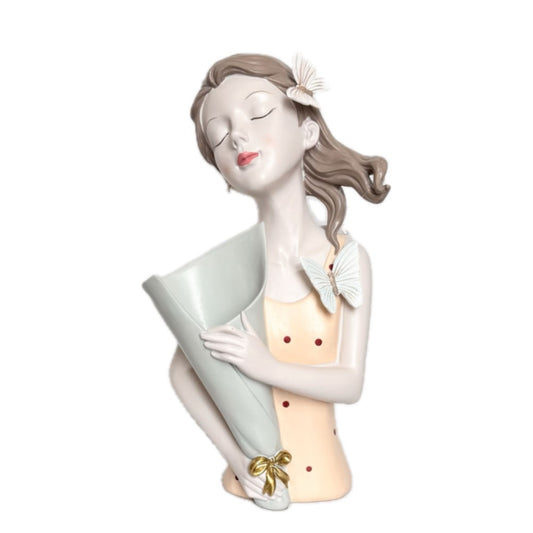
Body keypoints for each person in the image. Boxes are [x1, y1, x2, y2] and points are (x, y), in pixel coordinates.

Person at [169, 53, 389, 506]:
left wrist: (265, 367)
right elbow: (182, 371)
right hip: (250, 487)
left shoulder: (346, 259)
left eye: (258, 113)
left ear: (308, 131)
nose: (238, 136)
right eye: (219, 134)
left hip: (327, 479)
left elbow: (350, 384)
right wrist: (237, 460)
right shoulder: (231, 267)